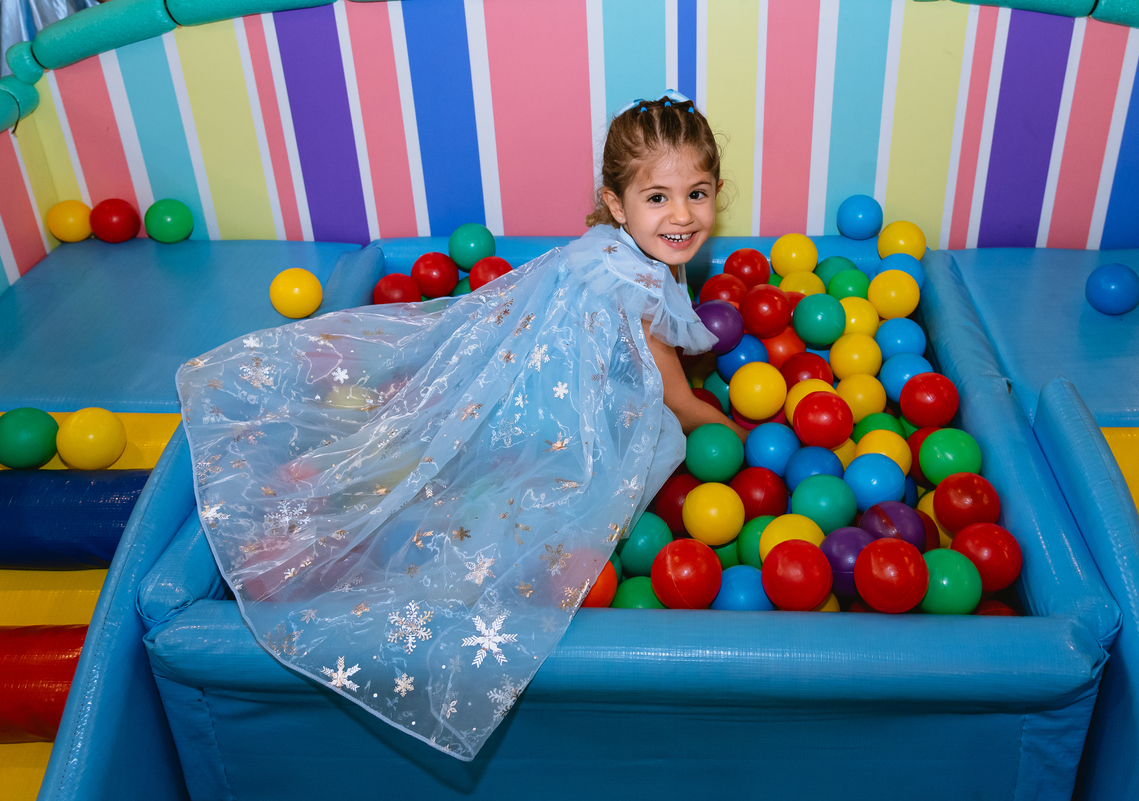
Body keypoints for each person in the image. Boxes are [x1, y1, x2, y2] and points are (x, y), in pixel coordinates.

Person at [175, 91, 744, 762]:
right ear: (616, 204)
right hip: (554, 424)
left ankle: (348, 507)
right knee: (662, 441)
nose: (681, 215)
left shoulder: (602, 250)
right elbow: (674, 397)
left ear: (715, 192)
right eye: (657, 198)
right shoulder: (642, 285)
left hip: (517, 392)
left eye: (697, 194)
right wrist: (728, 428)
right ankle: (389, 561)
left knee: (437, 464)